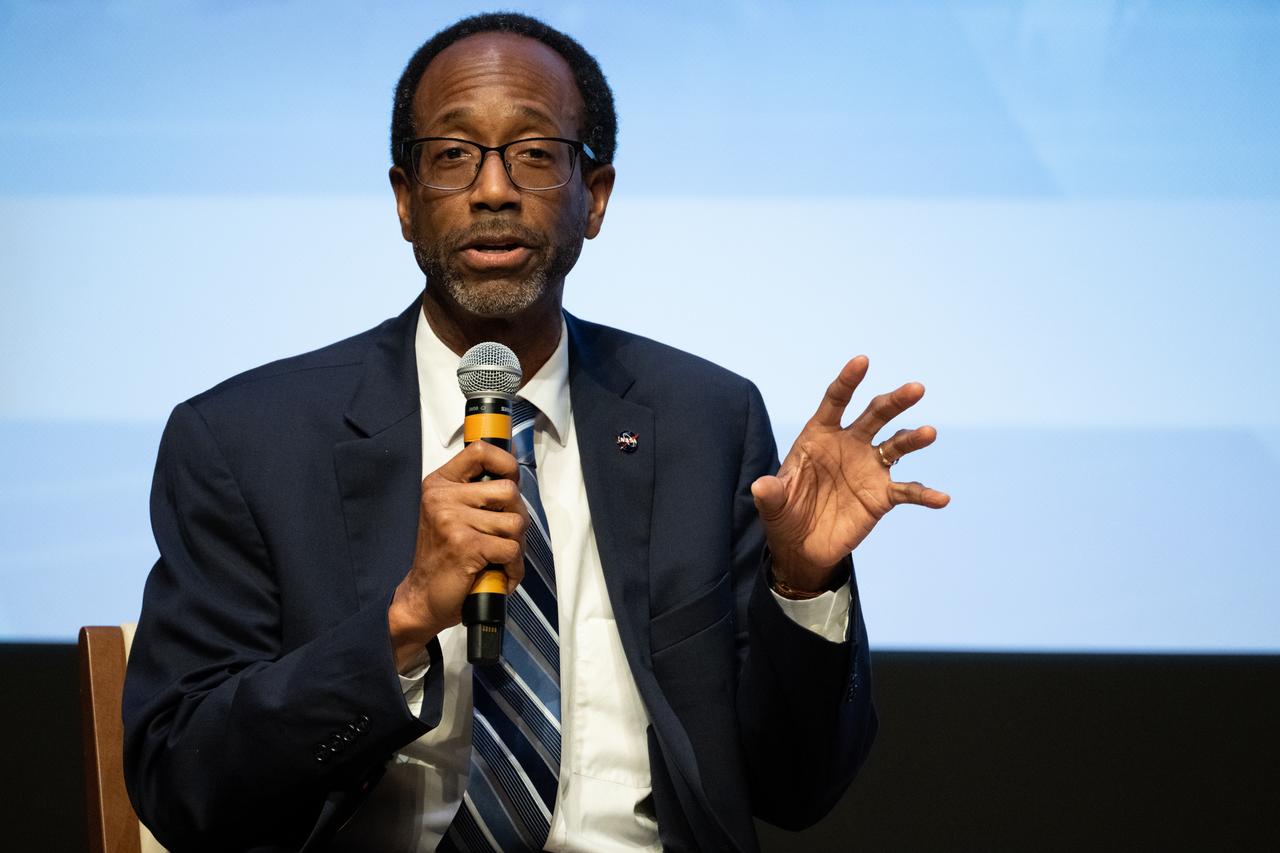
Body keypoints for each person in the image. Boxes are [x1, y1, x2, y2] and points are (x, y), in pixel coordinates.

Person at [122, 12, 948, 853]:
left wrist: (802, 586)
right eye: (451, 156)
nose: (492, 190)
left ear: (594, 199)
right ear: (405, 201)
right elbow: (180, 782)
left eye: (534, 154)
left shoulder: (707, 422)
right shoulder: (243, 442)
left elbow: (795, 788)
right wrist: (401, 624)